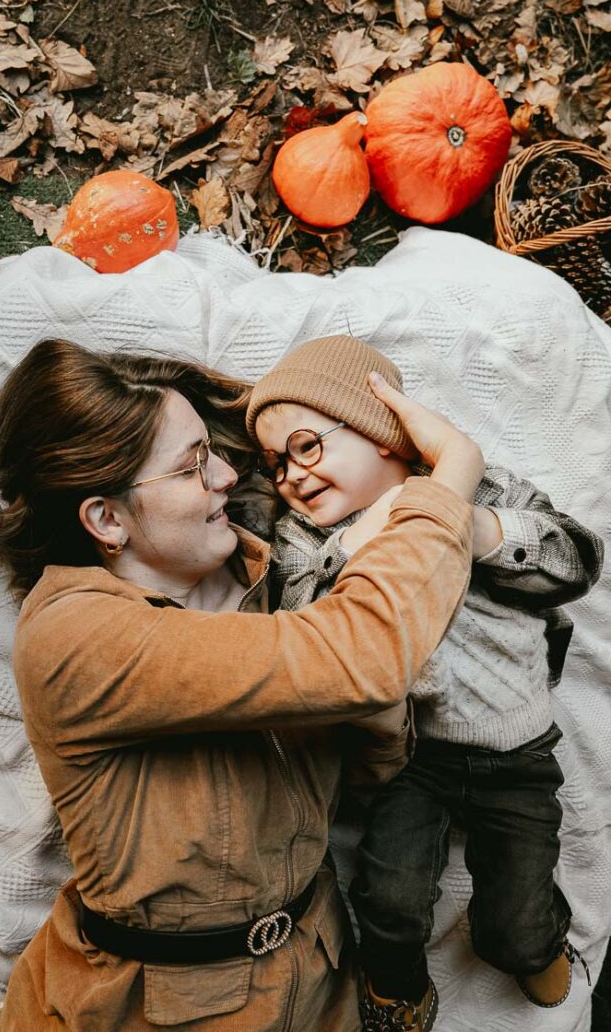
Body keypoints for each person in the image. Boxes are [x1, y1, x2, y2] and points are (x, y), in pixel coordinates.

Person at [0, 336, 481, 1032]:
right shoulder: (73, 636)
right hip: (159, 1006)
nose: (223, 477)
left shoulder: (277, 574)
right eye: (192, 467)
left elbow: (370, 761)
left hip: (317, 971)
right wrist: (447, 482)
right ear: (106, 519)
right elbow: (361, 657)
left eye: (212, 453)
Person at [245, 334, 604, 1032]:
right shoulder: (302, 541)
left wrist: (468, 523)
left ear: (383, 433)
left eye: (306, 446)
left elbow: (578, 561)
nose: (289, 474)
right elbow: (297, 635)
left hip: (517, 753)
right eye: (275, 462)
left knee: (517, 921)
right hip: (408, 758)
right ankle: (396, 985)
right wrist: (351, 548)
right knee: (388, 896)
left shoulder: (484, 488)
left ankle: (534, 941)